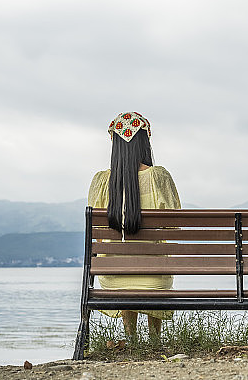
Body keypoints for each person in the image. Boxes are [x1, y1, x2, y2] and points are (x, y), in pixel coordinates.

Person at [87, 111, 181, 340]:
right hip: (154, 275)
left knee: (124, 270)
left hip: (114, 274)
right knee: (154, 264)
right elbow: (174, 225)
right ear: (144, 143)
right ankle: (155, 341)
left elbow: (96, 235)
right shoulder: (159, 177)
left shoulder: (101, 181)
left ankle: (131, 339)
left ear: (114, 144)